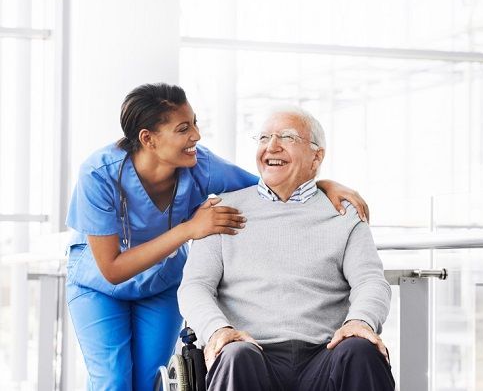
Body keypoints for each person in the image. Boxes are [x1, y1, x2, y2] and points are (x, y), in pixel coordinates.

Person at [65, 83, 370, 391]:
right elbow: (112, 270)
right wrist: (189, 229)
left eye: (195, 123)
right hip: (100, 286)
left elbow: (273, 184)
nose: (196, 135)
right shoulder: (99, 174)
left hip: (159, 283)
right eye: (184, 128)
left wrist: (324, 184)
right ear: (149, 139)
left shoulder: (201, 165)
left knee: (149, 382)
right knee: (112, 381)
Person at [178, 106, 395, 391]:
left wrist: (360, 321)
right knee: (235, 354)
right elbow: (194, 286)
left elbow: (370, 281)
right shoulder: (221, 210)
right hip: (251, 351)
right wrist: (219, 330)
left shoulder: (344, 214)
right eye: (264, 137)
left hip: (325, 352)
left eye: (287, 137)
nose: (272, 146)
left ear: (316, 157)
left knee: (360, 349)